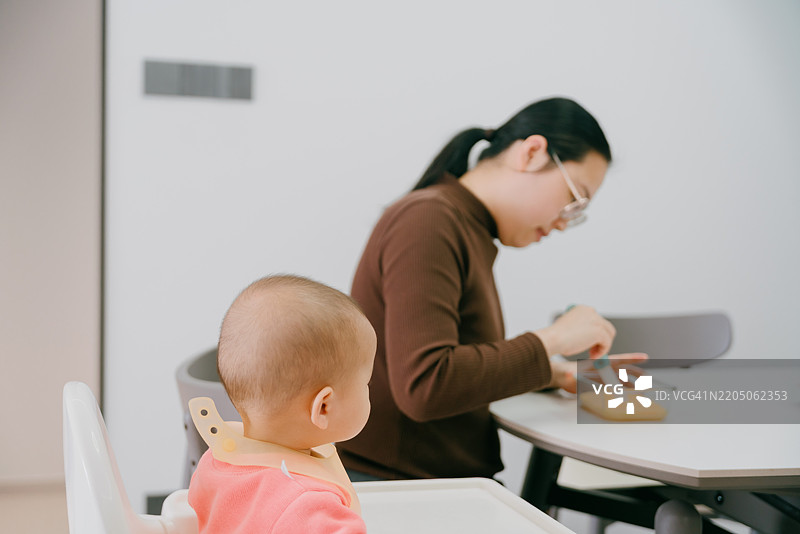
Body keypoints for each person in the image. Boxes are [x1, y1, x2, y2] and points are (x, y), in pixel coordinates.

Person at [338, 97, 646, 481]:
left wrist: (555, 374)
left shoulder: (459, 223)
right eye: (573, 199)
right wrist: (552, 337)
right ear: (532, 153)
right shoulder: (429, 220)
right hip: (399, 485)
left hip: (427, 480)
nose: (565, 223)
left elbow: (456, 364)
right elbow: (426, 386)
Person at [188, 275, 376, 534]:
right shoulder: (314, 508)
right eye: (366, 381)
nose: (369, 389)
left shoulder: (217, 462)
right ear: (323, 407)